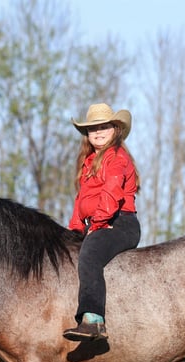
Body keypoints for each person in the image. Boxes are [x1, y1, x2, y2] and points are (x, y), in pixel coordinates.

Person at [63, 103, 141, 342]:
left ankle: (94, 320)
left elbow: (112, 193)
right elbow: (81, 200)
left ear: (115, 130)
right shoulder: (88, 162)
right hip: (97, 221)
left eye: (103, 127)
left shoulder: (117, 157)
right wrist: (74, 230)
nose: (98, 132)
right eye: (93, 128)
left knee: (90, 254)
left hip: (120, 222)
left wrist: (97, 224)